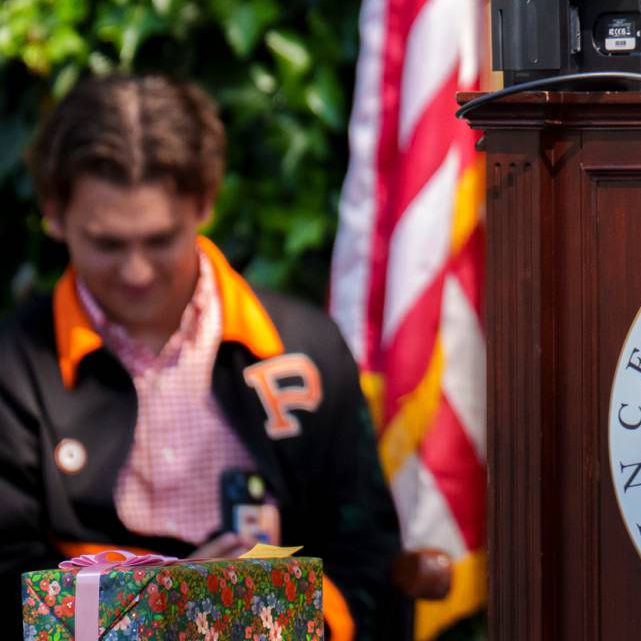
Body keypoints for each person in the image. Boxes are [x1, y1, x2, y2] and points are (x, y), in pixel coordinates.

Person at [0, 74, 407, 638]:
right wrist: (176, 612)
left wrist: (246, 617)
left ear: (206, 202)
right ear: (53, 213)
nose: (136, 271)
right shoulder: (14, 365)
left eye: (161, 239)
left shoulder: (304, 348)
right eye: (107, 243)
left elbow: (368, 557)